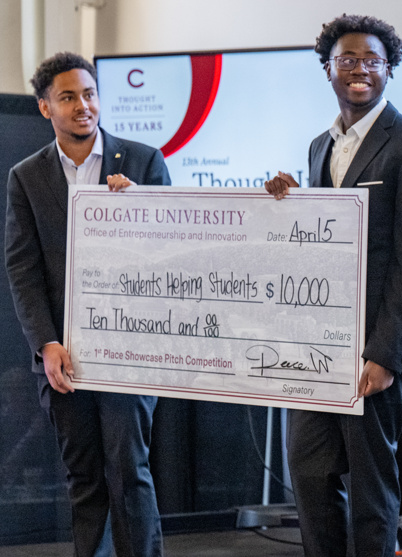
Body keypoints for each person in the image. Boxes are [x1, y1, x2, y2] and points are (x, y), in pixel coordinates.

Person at [263, 14, 402, 557]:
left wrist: (385, 353)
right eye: (347, 60)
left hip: (376, 351)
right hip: (316, 349)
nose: (360, 70)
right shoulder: (320, 146)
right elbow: (318, 244)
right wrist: (289, 200)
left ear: (389, 70)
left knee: (372, 489)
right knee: (311, 478)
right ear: (328, 69)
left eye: (372, 61)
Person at [4, 52, 169, 557]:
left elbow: (174, 256)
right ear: (45, 108)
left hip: (129, 353)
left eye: (90, 94)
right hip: (65, 360)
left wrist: (139, 208)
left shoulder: (142, 162)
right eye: (69, 97)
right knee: (84, 480)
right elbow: (23, 269)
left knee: (128, 473)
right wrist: (46, 345)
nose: (83, 106)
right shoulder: (26, 177)